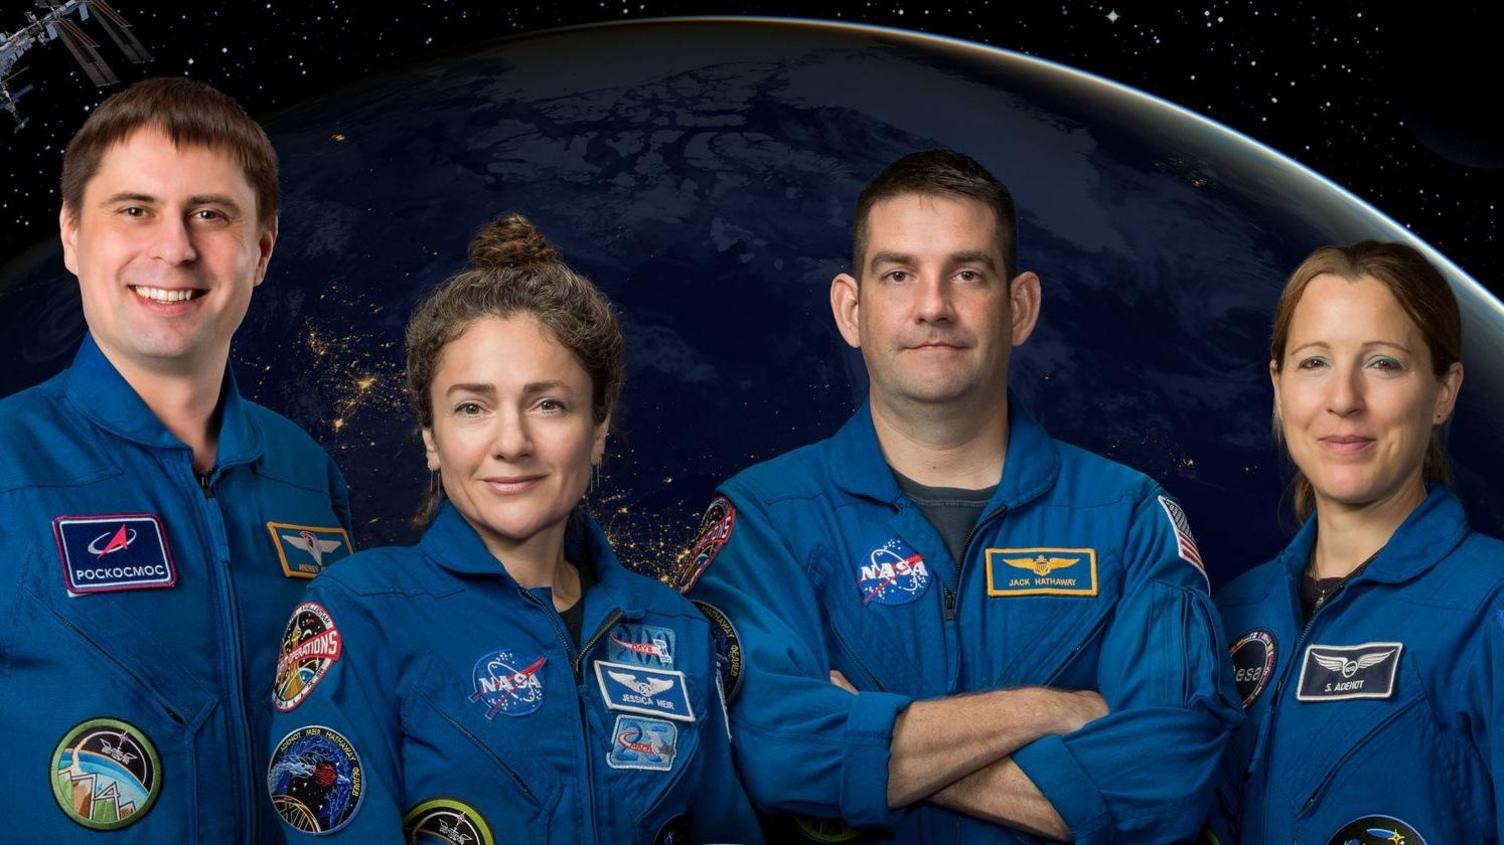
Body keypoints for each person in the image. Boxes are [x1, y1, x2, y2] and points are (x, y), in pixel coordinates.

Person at [676, 149, 1241, 843]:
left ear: (1020, 306)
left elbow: (1165, 783)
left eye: (967, 273)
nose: (934, 306)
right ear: (851, 309)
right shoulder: (768, 519)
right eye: (898, 274)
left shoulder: (1129, 520)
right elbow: (777, 749)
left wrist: (878, 745)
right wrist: (1047, 711)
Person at [265, 214, 761, 843]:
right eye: (472, 408)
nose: (512, 442)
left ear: (599, 428)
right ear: (430, 438)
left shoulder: (675, 628)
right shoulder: (359, 615)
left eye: (548, 404)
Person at [0, 78, 354, 840]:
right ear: (71, 236)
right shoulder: (8, 466)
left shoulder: (309, 477)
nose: (176, 247)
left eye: (212, 214)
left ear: (261, 250)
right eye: (135, 210)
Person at [1210, 241, 1502, 844]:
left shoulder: (1490, 611)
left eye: (1383, 364)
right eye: (1314, 362)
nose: (1343, 399)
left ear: (1443, 392)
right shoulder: (1233, 611)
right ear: (1278, 385)